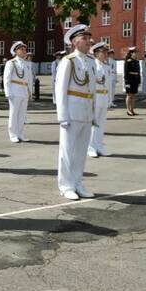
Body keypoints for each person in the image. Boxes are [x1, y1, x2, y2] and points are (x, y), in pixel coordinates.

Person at [55, 25, 98, 200]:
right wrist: (62, 116)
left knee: (80, 151)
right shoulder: (69, 61)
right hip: (72, 112)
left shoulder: (90, 61)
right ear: (74, 41)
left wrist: (93, 113)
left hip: (86, 111)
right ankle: (66, 186)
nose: (89, 42)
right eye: (85, 38)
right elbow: (61, 89)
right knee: (67, 151)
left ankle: (78, 182)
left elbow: (93, 89)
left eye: (89, 38)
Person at [4, 41, 34, 143]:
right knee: (14, 113)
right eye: (21, 49)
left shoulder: (27, 63)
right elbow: (6, 78)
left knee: (22, 114)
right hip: (15, 90)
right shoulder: (11, 63)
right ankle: (13, 134)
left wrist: (30, 92)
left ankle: (20, 133)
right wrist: (8, 92)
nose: (24, 51)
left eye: (25, 49)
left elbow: (29, 79)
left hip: (24, 91)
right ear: (16, 51)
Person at [88, 42, 113, 158]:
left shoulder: (107, 67)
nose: (106, 54)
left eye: (106, 52)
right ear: (96, 53)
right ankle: (91, 147)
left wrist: (109, 99)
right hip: (95, 98)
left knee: (101, 124)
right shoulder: (92, 65)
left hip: (103, 97)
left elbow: (108, 85)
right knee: (94, 124)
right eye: (103, 52)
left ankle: (99, 146)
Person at [123, 47, 141, 116]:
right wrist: (126, 82)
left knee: (133, 96)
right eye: (135, 53)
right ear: (131, 53)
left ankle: (132, 109)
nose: (136, 54)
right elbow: (126, 72)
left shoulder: (137, 61)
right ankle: (128, 109)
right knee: (129, 95)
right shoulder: (128, 61)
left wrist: (139, 81)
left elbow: (138, 72)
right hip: (129, 80)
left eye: (136, 53)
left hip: (135, 80)